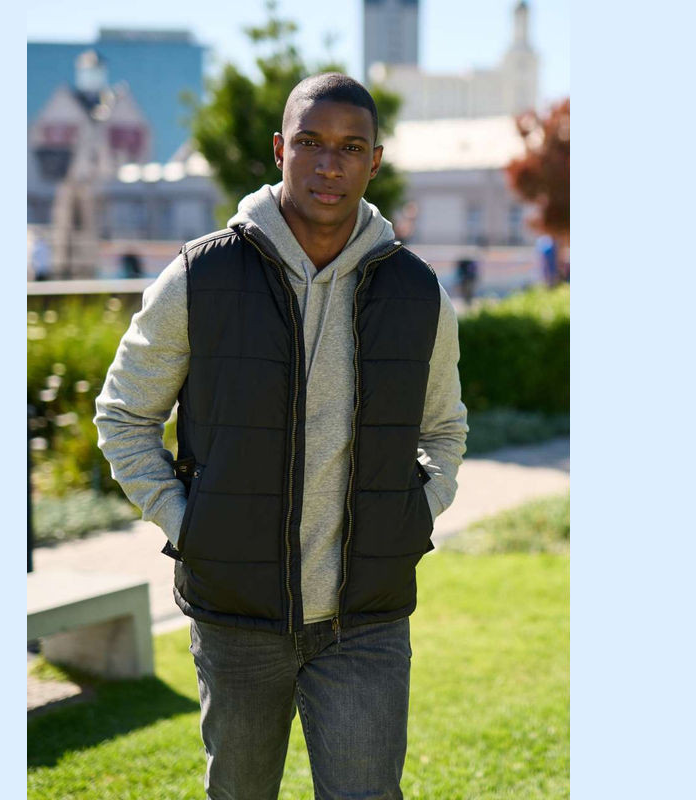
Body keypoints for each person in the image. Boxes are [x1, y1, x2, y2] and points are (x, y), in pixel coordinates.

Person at [94, 73, 468, 800]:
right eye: (310, 142)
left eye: (351, 148)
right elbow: (123, 414)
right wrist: (188, 524)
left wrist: (415, 514)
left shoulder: (417, 292)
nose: (329, 164)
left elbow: (443, 428)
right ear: (279, 150)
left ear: (374, 161)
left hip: (367, 618)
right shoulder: (201, 276)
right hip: (236, 613)